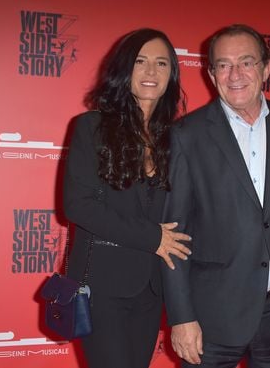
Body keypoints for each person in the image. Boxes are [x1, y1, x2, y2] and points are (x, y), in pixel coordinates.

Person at [162, 24, 270, 368]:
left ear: (267, 68)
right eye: (223, 65)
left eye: (246, 62)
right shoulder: (186, 136)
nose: (235, 74)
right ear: (211, 74)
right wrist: (181, 317)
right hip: (210, 317)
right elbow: (173, 236)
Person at [63, 28, 192, 368]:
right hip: (101, 285)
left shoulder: (177, 139)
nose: (151, 72)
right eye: (141, 61)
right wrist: (153, 237)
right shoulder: (91, 127)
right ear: (124, 69)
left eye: (162, 63)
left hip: (151, 287)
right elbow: (80, 205)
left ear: (171, 75)